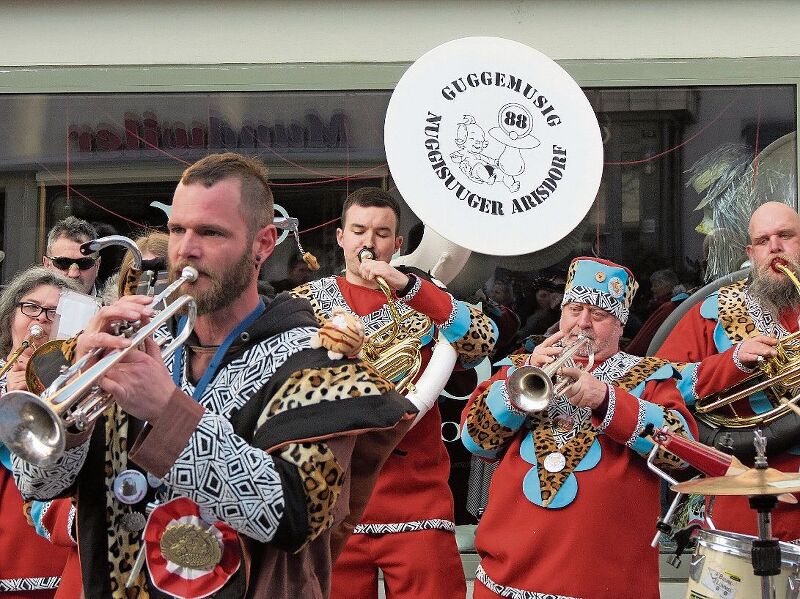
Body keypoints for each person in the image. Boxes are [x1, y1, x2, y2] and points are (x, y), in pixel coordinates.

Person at [12, 153, 416, 599]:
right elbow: (38, 484)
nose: (186, 249)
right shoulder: (133, 344)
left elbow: (295, 516)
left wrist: (169, 412)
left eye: (210, 232)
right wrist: (73, 406)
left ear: (263, 244)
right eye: (177, 230)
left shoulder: (318, 364)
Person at [292, 187, 498, 599]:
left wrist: (410, 289)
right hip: (333, 498)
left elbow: (481, 342)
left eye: (382, 234)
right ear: (341, 237)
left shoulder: (424, 294)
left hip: (416, 498)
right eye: (359, 230)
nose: (369, 243)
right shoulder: (302, 302)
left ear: (398, 244)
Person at [461, 257, 697, 599]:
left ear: (620, 324)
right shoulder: (520, 366)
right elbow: (475, 439)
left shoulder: (651, 375)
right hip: (507, 579)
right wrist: (521, 378)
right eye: (574, 309)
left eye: (598, 315)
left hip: (607, 580)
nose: (582, 323)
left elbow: (682, 450)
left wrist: (605, 398)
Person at [657, 201, 800, 543]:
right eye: (764, 241)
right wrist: (730, 363)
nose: (775, 248)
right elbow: (656, 386)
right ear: (751, 253)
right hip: (745, 499)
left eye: (785, 236)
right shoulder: (713, 313)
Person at [0, 267, 82, 597]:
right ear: (10, 317)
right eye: (31, 307)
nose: (42, 319)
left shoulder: (79, 387)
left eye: (54, 311)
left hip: (53, 551)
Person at [626, 268, 689, 356]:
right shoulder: (661, 305)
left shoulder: (668, 308)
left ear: (664, 285)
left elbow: (645, 339)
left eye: (655, 285)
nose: (652, 289)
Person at [42, 216, 101, 295]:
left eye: (84, 263)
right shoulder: (28, 304)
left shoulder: (114, 304)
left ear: (97, 265)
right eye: (63, 263)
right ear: (47, 265)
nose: (73, 274)